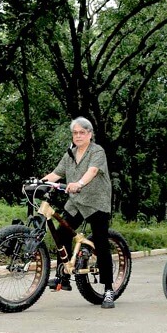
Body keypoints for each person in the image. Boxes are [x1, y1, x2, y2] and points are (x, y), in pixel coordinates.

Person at [40, 117, 116, 309]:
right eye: (75, 133)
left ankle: (108, 289)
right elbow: (56, 174)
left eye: (82, 132)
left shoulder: (97, 151)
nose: (78, 136)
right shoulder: (70, 153)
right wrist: (38, 182)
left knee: (100, 241)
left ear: (90, 134)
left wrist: (79, 183)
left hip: (96, 202)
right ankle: (63, 276)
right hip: (75, 202)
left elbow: (92, 171)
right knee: (62, 234)